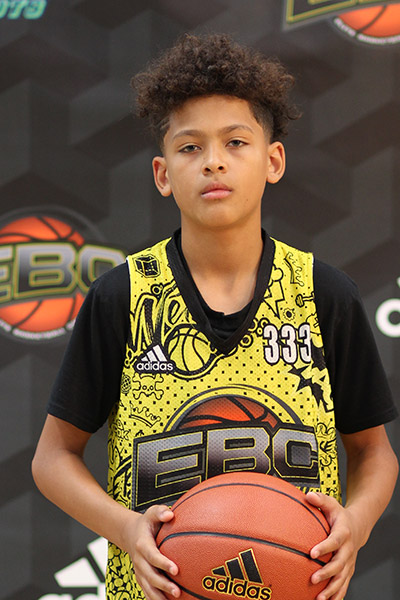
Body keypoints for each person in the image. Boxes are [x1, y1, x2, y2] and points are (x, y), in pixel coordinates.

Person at [32, 33, 398, 600]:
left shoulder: (324, 295)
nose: (214, 161)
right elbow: (52, 458)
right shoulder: (123, 296)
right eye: (189, 148)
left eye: (235, 142)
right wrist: (125, 529)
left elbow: (374, 452)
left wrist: (357, 521)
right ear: (162, 174)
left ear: (273, 161)